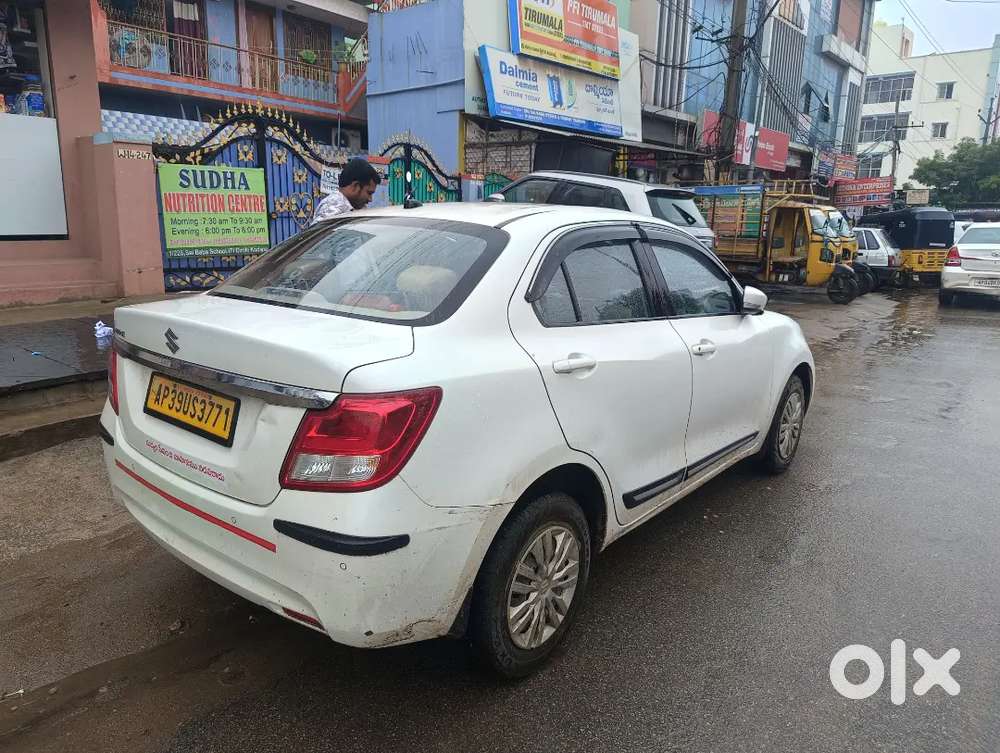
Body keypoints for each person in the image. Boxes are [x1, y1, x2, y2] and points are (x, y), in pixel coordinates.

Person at [310, 157, 381, 225]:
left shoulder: (353, 207)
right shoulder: (335, 206)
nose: (370, 199)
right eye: (369, 193)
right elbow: (319, 236)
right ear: (355, 186)